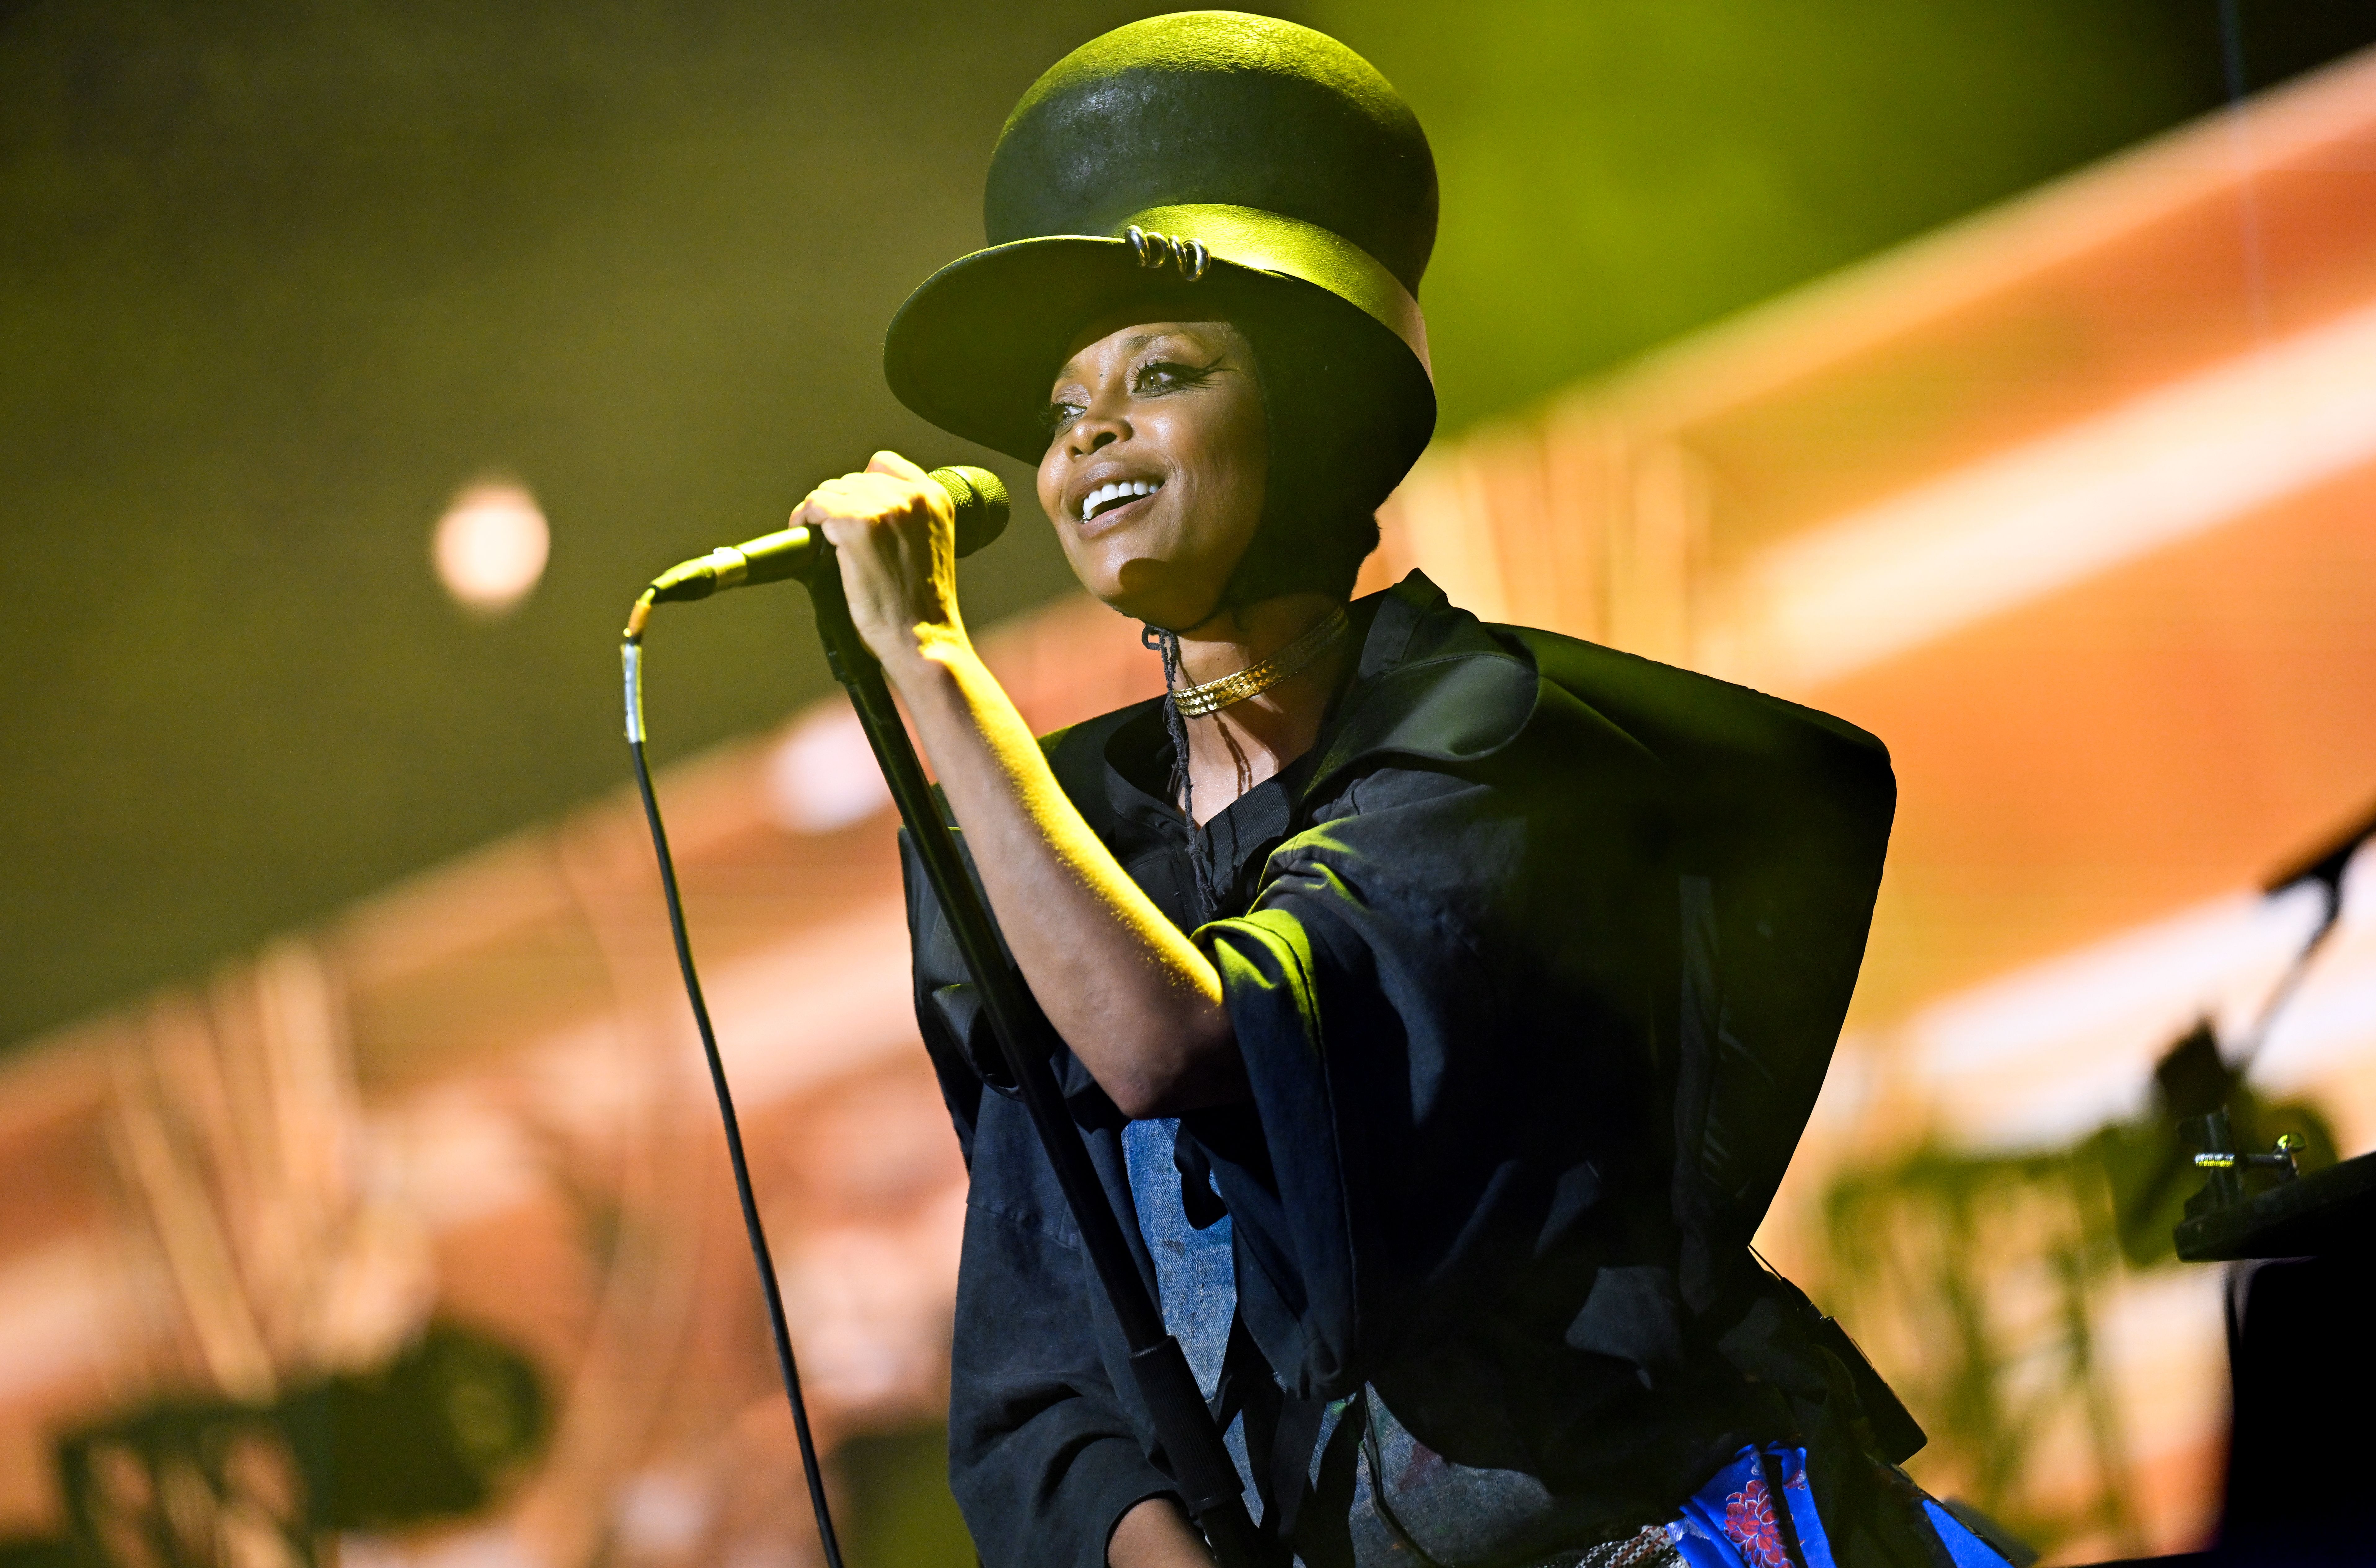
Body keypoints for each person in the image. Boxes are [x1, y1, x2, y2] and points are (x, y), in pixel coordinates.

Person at [790, 14, 2016, 1568]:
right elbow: (1045, 1375)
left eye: (1159, 371)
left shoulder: (1488, 742)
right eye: (1060, 407)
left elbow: (1183, 1038)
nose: (1086, 428)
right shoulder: (1066, 840)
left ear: (1311, 408)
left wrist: (935, 669)